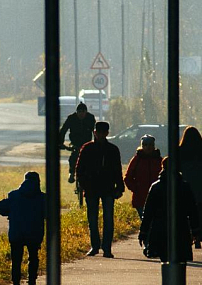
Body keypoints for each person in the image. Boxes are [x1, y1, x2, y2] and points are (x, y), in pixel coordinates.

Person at [76, 121, 125, 258]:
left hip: (108, 188)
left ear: (107, 133)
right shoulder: (87, 148)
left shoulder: (113, 150)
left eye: (103, 133)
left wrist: (119, 187)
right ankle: (95, 246)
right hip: (92, 189)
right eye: (99, 133)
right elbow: (79, 170)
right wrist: (84, 185)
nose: (101, 135)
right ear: (95, 132)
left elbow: (117, 170)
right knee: (93, 219)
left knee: (108, 219)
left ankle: (107, 248)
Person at [139, 157, 200, 262]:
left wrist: (143, 233)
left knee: (165, 260)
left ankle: (168, 277)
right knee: (181, 261)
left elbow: (148, 212)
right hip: (181, 228)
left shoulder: (156, 187)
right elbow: (192, 210)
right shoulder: (184, 186)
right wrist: (195, 231)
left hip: (160, 229)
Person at [0, 171, 46, 285]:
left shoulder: (14, 195)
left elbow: (2, 209)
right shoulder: (42, 198)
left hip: (16, 233)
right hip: (34, 233)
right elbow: (49, 213)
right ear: (38, 182)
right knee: (33, 258)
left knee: (16, 261)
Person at [124, 134, 162, 218]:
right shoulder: (136, 160)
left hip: (157, 198)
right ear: (142, 146)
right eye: (145, 145)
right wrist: (136, 188)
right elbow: (128, 178)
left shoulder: (159, 160)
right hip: (140, 198)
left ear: (154, 146)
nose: (148, 147)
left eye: (150, 145)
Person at [59, 102, 96, 183]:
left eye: (83, 112)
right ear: (77, 112)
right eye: (79, 112)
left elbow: (95, 131)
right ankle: (72, 173)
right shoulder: (71, 118)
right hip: (75, 142)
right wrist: (60, 143)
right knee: (73, 158)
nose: (81, 115)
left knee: (92, 159)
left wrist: (97, 143)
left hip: (87, 143)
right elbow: (63, 130)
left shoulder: (90, 118)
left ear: (86, 112)